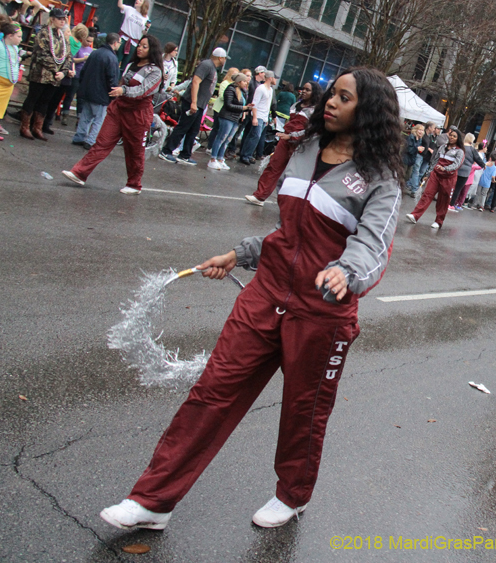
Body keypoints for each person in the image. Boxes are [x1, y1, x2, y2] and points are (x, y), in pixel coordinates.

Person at [98, 66, 404, 532]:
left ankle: (292, 495)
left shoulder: (380, 178)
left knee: (305, 411)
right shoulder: (303, 151)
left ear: (372, 112)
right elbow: (289, 235)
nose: (332, 102)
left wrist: (346, 272)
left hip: (322, 316)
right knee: (211, 393)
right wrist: (240, 254)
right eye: (332, 94)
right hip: (264, 297)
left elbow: (373, 247)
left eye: (345, 97)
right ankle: (153, 501)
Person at [61, 35, 163, 194]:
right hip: (119, 109)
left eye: (145, 46)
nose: (140, 49)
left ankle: (134, 185)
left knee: (134, 151)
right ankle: (79, 173)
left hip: (138, 115)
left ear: (153, 50)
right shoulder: (131, 65)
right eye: (140, 45)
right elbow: (121, 83)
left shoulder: (155, 71)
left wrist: (123, 90)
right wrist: (118, 91)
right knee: (102, 142)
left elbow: (143, 91)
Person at [245, 80, 323, 205]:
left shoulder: (316, 111)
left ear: (315, 93)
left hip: (301, 145)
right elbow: (290, 123)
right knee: (273, 167)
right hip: (285, 141)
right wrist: (285, 135)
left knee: (294, 176)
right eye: (303, 88)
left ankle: (293, 205)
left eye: (307, 90)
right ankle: (260, 196)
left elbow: (311, 131)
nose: (303, 91)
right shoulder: (295, 105)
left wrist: (292, 136)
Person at [159, 48, 227, 165]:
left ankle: (185, 155)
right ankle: (166, 151)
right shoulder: (206, 65)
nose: (225, 60)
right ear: (220, 58)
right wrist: (194, 102)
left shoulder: (212, 68)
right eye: (225, 58)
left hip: (200, 104)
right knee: (183, 127)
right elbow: (195, 82)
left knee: (193, 130)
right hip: (193, 102)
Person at [19, 8, 73, 140]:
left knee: (45, 101)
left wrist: (64, 72)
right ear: (52, 19)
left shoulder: (63, 37)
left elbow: (68, 56)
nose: (62, 21)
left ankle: (37, 127)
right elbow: (42, 55)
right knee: (33, 99)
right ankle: (25, 126)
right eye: (59, 18)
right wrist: (56, 71)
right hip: (41, 74)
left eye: (63, 19)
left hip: (55, 77)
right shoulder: (43, 33)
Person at [405, 126, 465, 229]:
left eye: (454, 136)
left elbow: (457, 165)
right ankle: (415, 215)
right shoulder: (442, 147)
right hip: (436, 175)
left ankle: (438, 221)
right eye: (451, 135)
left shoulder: (460, 151)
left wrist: (445, 168)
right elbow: (435, 161)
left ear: (458, 139)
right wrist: (428, 174)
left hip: (448, 178)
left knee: (443, 200)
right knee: (427, 194)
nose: (451, 138)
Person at [71, 32, 120, 149]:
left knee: (85, 116)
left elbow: (84, 71)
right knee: (99, 119)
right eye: (119, 43)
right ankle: (91, 140)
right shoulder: (112, 58)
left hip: (88, 90)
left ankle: (79, 136)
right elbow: (112, 78)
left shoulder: (94, 53)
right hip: (101, 93)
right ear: (114, 43)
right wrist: (113, 94)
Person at [207, 73, 252, 171]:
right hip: (227, 117)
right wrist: (243, 108)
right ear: (239, 81)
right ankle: (213, 159)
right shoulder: (230, 89)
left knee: (227, 139)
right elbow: (228, 104)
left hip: (236, 118)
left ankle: (220, 158)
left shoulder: (242, 91)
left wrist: (246, 108)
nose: (246, 83)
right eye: (244, 81)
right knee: (221, 137)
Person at [240, 70, 276, 165]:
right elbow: (255, 104)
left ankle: (246, 154)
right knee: (255, 136)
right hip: (258, 115)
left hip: (264, 117)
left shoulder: (270, 90)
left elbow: (267, 105)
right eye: (274, 77)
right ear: (270, 78)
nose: (275, 79)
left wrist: (267, 118)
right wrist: (255, 117)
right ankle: (246, 155)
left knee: (254, 136)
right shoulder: (261, 88)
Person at [203, 67, 238, 151]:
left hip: (227, 110)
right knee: (216, 128)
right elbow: (222, 96)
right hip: (219, 109)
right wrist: (231, 99)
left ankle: (216, 147)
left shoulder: (235, 86)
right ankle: (210, 146)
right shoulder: (225, 83)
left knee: (222, 130)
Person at [116, 0, 150, 66]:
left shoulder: (145, 18)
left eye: (140, 0)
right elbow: (120, 5)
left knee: (126, 64)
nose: (137, 0)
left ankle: (121, 77)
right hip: (123, 38)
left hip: (133, 42)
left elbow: (144, 32)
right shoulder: (130, 9)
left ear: (143, 5)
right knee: (116, 59)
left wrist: (147, 27)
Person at [406, 121, 437, 195]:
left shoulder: (424, 137)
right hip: (415, 156)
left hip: (423, 156)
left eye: (422, 130)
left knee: (418, 172)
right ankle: (414, 188)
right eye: (419, 130)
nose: (420, 131)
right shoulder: (412, 137)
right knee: (415, 171)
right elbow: (409, 148)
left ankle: (410, 185)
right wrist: (418, 149)